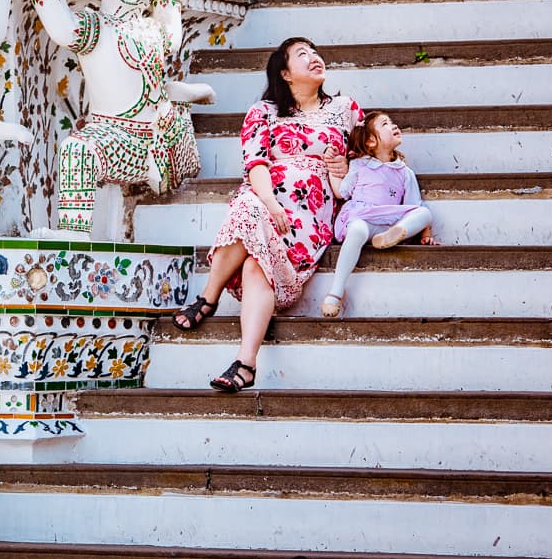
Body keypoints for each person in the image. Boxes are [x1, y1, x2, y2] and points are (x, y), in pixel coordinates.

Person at [172, 37, 362, 392]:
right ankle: (210, 297)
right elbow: (255, 164)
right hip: (268, 199)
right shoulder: (263, 112)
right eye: (302, 55)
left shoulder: (346, 109)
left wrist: (345, 163)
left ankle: (245, 363)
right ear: (286, 73)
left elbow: (367, 154)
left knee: (256, 266)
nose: (315, 58)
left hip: (309, 215)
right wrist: (272, 205)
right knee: (247, 205)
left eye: (316, 52)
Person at [321, 110, 436, 319]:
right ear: (371, 142)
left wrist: (425, 233)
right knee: (356, 229)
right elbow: (341, 192)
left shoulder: (404, 172)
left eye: (392, 122)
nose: (393, 125)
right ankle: (335, 292)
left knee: (424, 212)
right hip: (362, 218)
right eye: (385, 124)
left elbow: (413, 205)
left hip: (388, 224)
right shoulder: (359, 165)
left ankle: (392, 235)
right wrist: (331, 170)